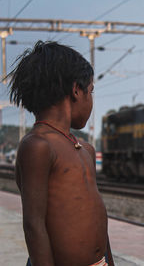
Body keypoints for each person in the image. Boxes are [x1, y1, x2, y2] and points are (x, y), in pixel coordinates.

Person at [7, 41, 114, 266]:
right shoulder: (38, 146)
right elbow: (34, 225)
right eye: (91, 91)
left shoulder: (85, 149)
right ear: (76, 90)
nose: (92, 99)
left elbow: (97, 215)